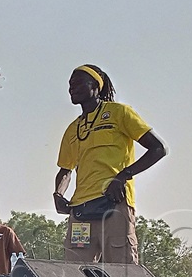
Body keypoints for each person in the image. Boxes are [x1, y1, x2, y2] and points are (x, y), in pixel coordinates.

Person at [53, 65, 169, 264]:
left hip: (113, 205)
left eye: (78, 83)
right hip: (80, 213)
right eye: (70, 84)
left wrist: (123, 176)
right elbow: (65, 169)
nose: (72, 88)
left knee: (121, 273)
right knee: (75, 274)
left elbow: (158, 148)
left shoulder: (119, 113)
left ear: (96, 86)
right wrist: (58, 194)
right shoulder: (72, 129)